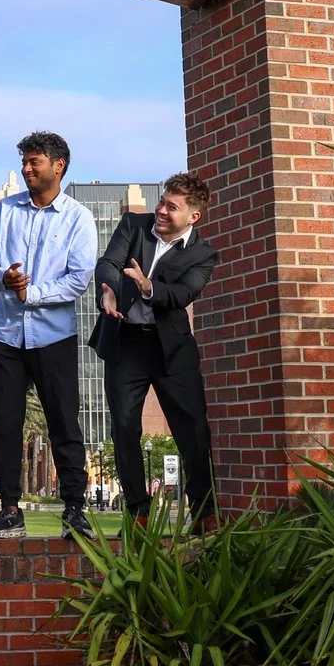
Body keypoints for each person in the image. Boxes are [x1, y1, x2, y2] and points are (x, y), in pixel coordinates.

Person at [0, 130, 98, 538]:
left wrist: (33, 293)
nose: (26, 169)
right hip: (5, 335)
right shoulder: (5, 210)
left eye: (34, 162)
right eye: (24, 162)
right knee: (5, 424)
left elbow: (79, 279)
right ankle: (10, 510)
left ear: (58, 166)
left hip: (54, 337)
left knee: (64, 423)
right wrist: (3, 277)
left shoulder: (78, 217)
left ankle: (74, 510)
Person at [94, 172, 218, 523]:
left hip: (172, 349)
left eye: (172, 207)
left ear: (193, 216)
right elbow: (108, 263)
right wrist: (109, 289)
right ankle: (138, 512)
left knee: (193, 430)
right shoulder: (134, 225)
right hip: (127, 342)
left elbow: (183, 294)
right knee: (124, 426)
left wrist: (149, 287)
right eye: (162, 201)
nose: (161, 210)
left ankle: (204, 513)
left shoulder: (203, 254)